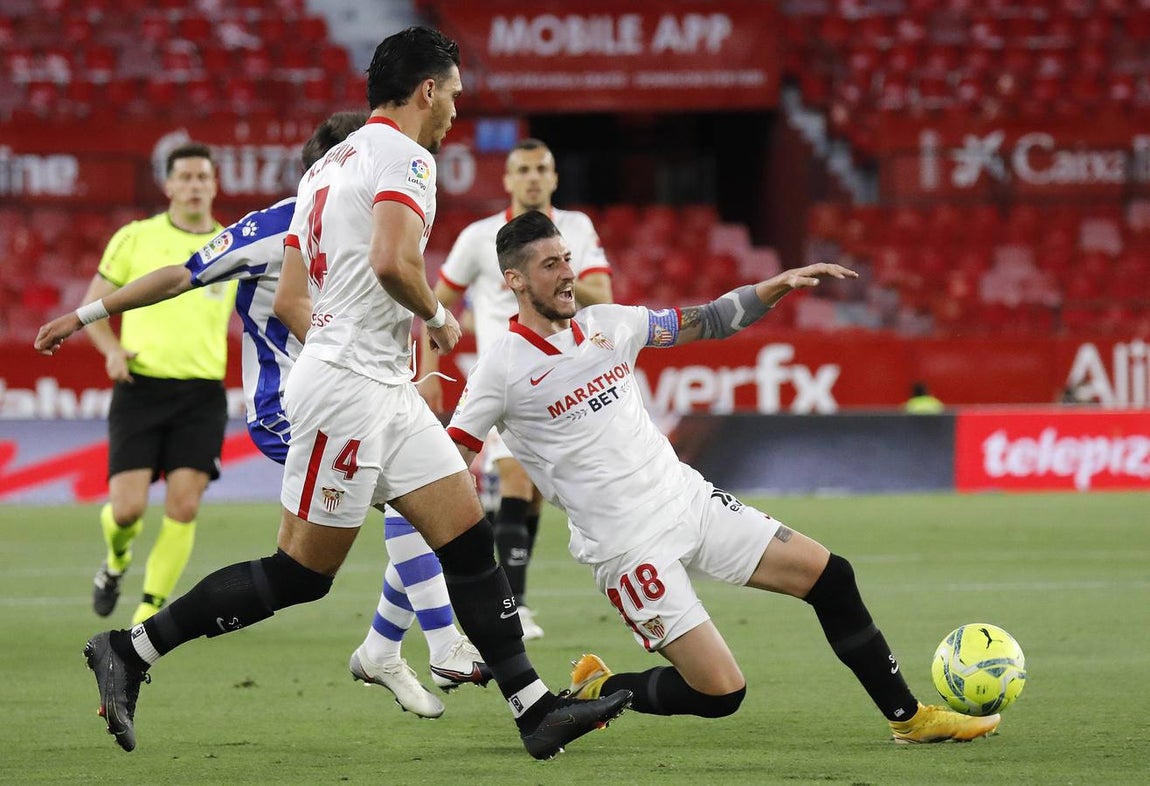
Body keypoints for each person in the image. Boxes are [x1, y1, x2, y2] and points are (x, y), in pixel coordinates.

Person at [73, 27, 630, 759]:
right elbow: (394, 261)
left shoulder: (325, 168)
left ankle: (533, 708)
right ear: (427, 90)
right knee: (300, 574)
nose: (457, 112)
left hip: (374, 383)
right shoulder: (407, 159)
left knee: (466, 538)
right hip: (347, 392)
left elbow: (297, 290)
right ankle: (131, 647)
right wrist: (434, 315)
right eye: (454, 96)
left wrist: (366, 342)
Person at [445, 211, 1003, 744]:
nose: (568, 272)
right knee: (720, 693)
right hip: (628, 549)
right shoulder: (502, 368)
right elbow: (451, 458)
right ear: (513, 280)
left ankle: (909, 718)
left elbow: (707, 320)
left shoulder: (610, 324)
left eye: (568, 258)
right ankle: (606, 687)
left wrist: (776, 285)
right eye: (550, 265)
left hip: (689, 499)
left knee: (832, 577)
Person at [34, 112, 489, 720]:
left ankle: (390, 647)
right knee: (407, 503)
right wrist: (86, 317)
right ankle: (432, 643)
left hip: (359, 399)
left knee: (414, 505)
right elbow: (181, 275)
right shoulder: (279, 227)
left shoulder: (384, 223)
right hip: (291, 408)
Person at [421, 138, 613, 639]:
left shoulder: (577, 229)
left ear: (553, 178)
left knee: (532, 496)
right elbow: (437, 304)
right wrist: (430, 371)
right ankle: (515, 607)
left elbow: (605, 296)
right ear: (507, 179)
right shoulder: (479, 236)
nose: (532, 177)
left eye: (541, 169)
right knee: (518, 481)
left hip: (568, 377)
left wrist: (554, 267)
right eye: (522, 169)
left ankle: (497, 560)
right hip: (510, 376)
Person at [71, 142, 232, 626]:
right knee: (126, 511)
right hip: (140, 390)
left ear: (214, 184)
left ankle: (145, 615)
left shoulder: (231, 245)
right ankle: (116, 562)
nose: (194, 186)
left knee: (183, 507)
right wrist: (112, 351)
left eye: (203, 177)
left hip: (202, 394)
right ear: (167, 185)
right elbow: (92, 307)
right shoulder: (135, 238)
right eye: (184, 177)